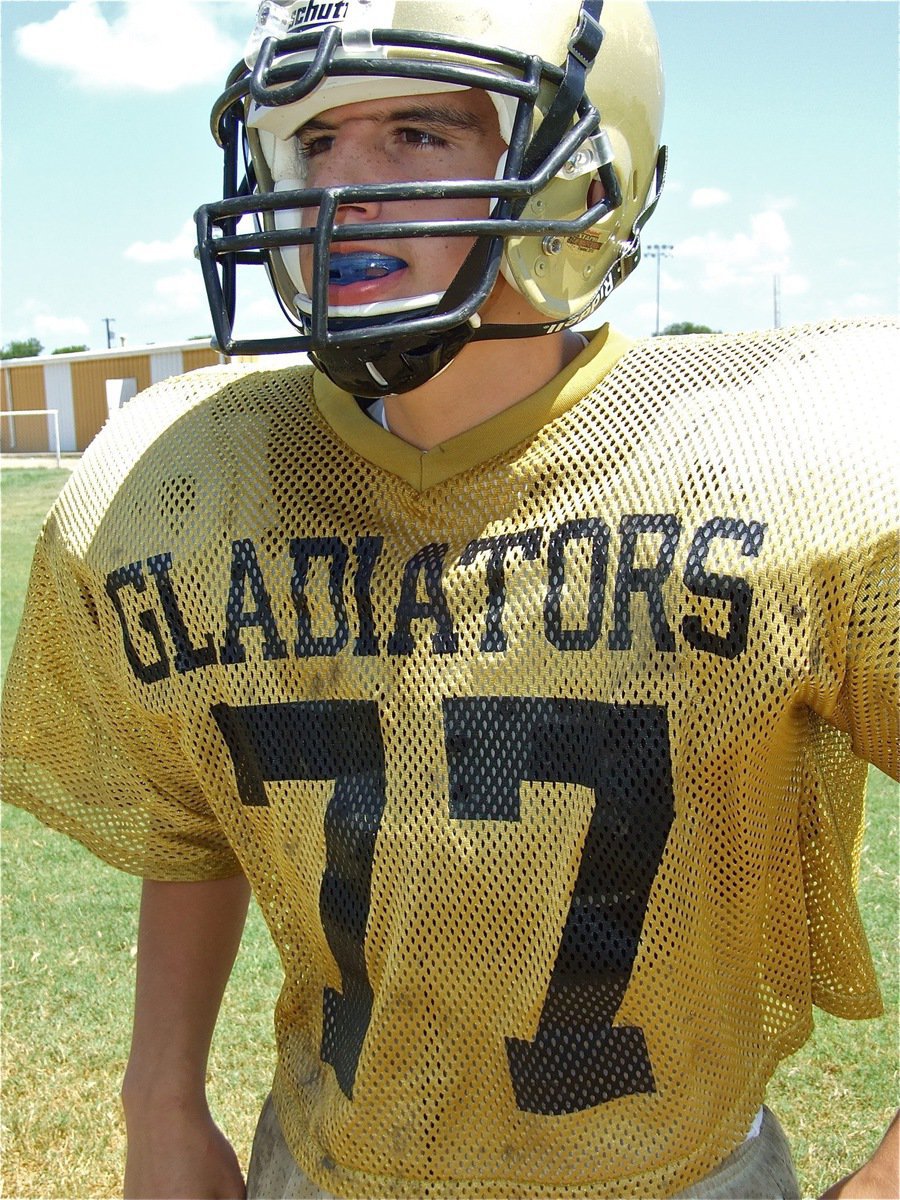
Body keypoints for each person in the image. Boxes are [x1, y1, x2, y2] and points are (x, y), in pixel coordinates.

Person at [2, 1, 897, 1197]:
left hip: (667, 1172)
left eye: (418, 133)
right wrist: (159, 1099)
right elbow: (197, 804)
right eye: (315, 143)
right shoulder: (185, 484)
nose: (342, 193)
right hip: (324, 1163)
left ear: (587, 173)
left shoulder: (787, 462)